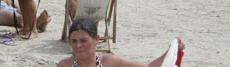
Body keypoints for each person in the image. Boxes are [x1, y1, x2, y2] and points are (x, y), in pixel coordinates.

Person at [56, 18, 184, 67]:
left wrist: (171, 51)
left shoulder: (109, 62)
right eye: (74, 41)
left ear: (97, 39)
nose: (78, 46)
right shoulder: (64, 65)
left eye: (84, 40)